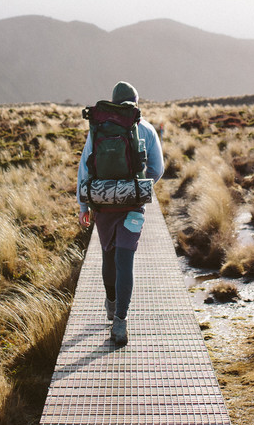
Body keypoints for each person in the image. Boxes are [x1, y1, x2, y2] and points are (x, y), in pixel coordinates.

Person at [77, 81, 164, 346]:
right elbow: (158, 169)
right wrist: (136, 187)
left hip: (103, 204)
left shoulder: (99, 127)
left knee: (108, 255)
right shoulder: (146, 128)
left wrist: (84, 206)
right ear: (136, 101)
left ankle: (111, 303)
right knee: (125, 262)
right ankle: (120, 323)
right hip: (132, 206)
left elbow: (85, 167)